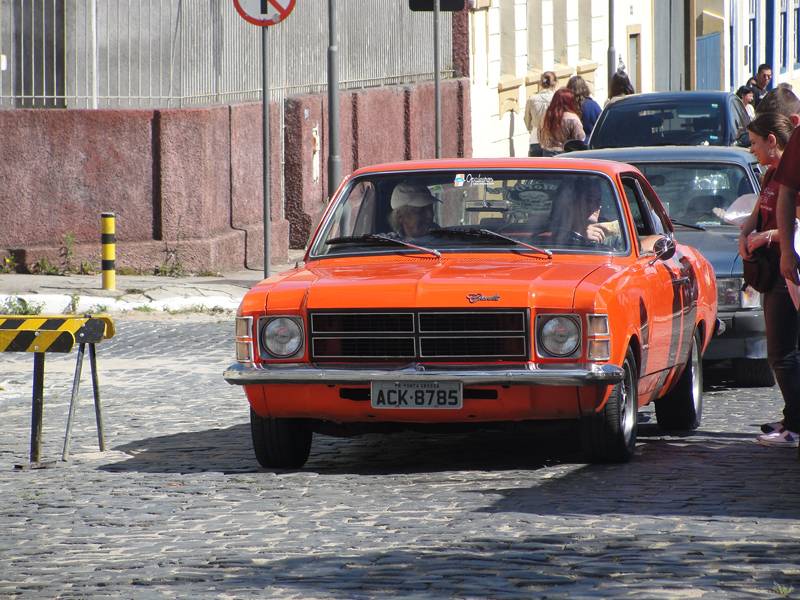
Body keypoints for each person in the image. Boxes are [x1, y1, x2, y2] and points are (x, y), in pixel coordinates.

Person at [736, 113, 800, 447]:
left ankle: (795, 425)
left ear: (772, 141)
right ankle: (792, 416)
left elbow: (796, 225)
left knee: (782, 353)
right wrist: (747, 231)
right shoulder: (771, 174)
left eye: (756, 142)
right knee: (785, 352)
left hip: (787, 269)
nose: (752, 149)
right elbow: (759, 211)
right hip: (772, 269)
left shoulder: (791, 175)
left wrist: (765, 238)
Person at [546, 178, 620, 246]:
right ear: (571, 203)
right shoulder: (546, 239)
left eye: (598, 201)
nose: (598, 206)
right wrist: (578, 236)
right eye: (590, 200)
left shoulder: (607, 237)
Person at [538, 89, 585, 156]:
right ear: (570, 101)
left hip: (547, 154)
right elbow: (580, 139)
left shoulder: (546, 116)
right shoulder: (572, 118)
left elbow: (539, 135)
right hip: (566, 154)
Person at [524, 71, 557, 157]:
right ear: (555, 83)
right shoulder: (557, 99)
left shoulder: (532, 99)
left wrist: (534, 128)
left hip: (535, 138)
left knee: (534, 168)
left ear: (540, 83)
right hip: (552, 140)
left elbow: (527, 120)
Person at [567, 75, 602, 142]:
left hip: (571, 147)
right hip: (590, 145)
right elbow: (602, 126)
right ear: (585, 88)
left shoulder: (566, 107)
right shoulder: (593, 105)